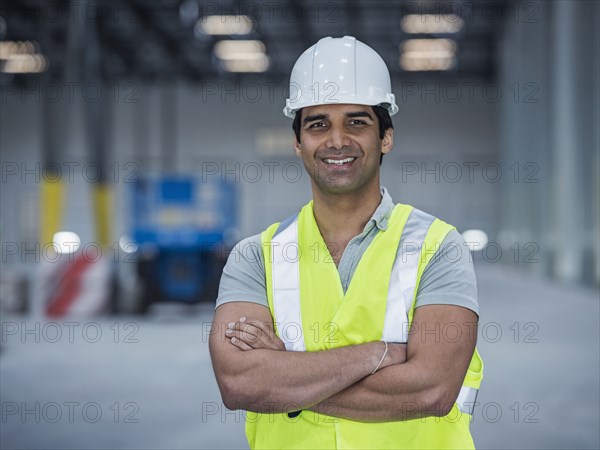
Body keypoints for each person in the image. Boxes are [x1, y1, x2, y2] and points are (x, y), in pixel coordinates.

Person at [209, 36, 483, 449]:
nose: (337, 141)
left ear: (385, 138)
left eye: (357, 122)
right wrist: (381, 353)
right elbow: (240, 382)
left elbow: (431, 390)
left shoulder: (439, 247)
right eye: (318, 124)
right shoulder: (255, 256)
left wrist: (287, 380)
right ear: (298, 142)